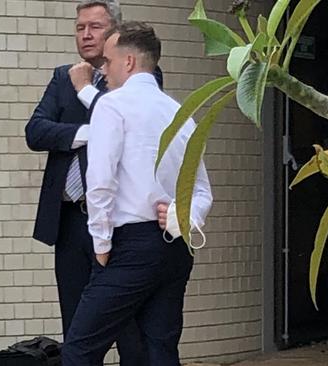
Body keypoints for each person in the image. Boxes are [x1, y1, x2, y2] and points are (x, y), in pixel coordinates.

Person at [61, 22, 213, 366]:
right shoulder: (180, 113)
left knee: (79, 348)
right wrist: (183, 215)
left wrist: (100, 243)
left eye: (108, 61)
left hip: (128, 245)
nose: (103, 70)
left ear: (128, 62)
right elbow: (202, 188)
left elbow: (99, 180)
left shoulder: (111, 105)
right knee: (158, 349)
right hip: (175, 247)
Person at [25, 1, 165, 364]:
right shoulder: (63, 77)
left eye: (95, 27)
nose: (86, 35)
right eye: (80, 27)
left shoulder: (141, 75)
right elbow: (36, 131)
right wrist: (92, 132)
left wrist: (89, 92)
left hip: (119, 222)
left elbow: (130, 119)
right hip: (71, 219)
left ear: (115, 34)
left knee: (128, 328)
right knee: (77, 328)